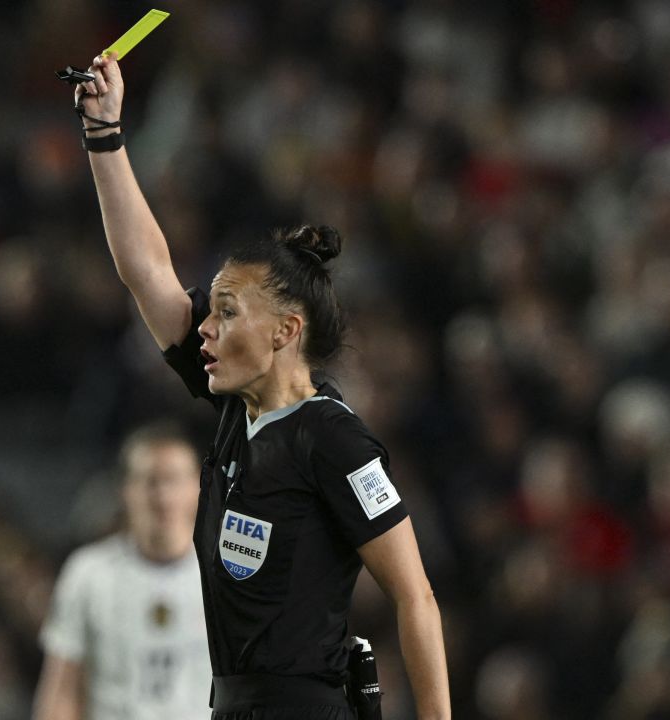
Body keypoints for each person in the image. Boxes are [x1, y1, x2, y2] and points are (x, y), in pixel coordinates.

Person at [71, 54, 450, 720]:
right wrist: (105, 135)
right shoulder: (234, 411)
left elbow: (415, 595)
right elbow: (147, 272)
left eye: (226, 312)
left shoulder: (333, 438)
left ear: (284, 332)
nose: (205, 329)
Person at [33, 423, 212, 720]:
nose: (163, 496)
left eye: (175, 480)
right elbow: (62, 689)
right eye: (150, 481)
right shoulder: (89, 573)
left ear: (198, 486)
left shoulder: (227, 574)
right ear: (126, 490)